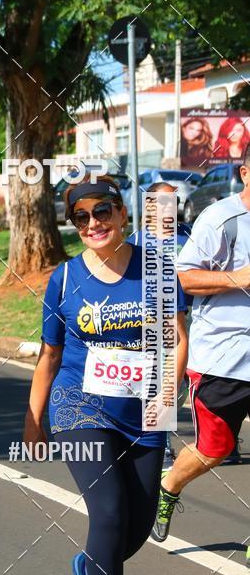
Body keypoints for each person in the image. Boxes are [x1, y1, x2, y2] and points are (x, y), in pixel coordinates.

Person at [24, 175, 188, 575]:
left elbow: (178, 339)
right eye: (81, 217)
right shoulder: (66, 279)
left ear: (122, 214)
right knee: (111, 512)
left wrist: (167, 392)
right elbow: (50, 355)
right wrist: (33, 422)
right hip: (79, 407)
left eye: (102, 212)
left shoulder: (156, 271)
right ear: (74, 225)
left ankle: (90, 569)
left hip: (146, 408)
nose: (93, 223)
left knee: (136, 526)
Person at [152, 148, 250, 542]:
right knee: (216, 448)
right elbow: (183, 278)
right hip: (223, 359)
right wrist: (238, 278)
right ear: (245, 173)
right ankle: (169, 485)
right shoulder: (221, 219)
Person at [127, 181, 192, 473]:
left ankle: (215, 439)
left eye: (173, 201)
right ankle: (160, 445)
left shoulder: (188, 236)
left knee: (189, 385)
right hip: (155, 322)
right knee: (158, 383)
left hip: (191, 316)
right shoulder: (136, 242)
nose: (170, 206)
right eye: (162, 201)